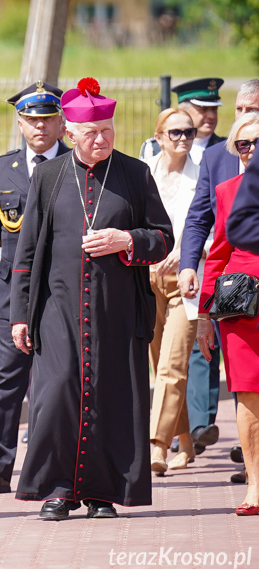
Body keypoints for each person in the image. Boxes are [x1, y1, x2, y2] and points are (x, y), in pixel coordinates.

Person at [9, 78, 173, 520]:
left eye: (108, 130)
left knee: (111, 396)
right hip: (57, 310)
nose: (101, 139)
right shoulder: (47, 175)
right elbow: (27, 252)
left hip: (117, 310)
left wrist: (127, 238)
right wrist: (19, 315)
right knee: (59, 392)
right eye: (91, 133)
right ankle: (59, 488)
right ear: (69, 134)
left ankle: (103, 492)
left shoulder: (135, 173)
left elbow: (163, 238)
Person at [0, 81, 70, 494]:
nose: (40, 126)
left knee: (55, 382)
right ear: (20, 122)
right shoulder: (2, 169)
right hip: (14, 294)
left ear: (62, 122)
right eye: (31, 119)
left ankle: (49, 467)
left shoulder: (76, 164)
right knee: (6, 381)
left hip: (59, 293)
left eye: (47, 118)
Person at [179, 79, 259, 477]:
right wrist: (188, 265)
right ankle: (253, 467)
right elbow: (201, 222)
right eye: (241, 110)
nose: (246, 119)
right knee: (245, 384)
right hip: (240, 291)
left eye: (254, 109)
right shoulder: (219, 159)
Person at [197, 111, 259, 516]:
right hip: (242, 305)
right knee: (249, 393)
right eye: (243, 143)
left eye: (258, 142)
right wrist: (204, 315)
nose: (251, 150)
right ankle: (256, 484)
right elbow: (216, 254)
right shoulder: (227, 191)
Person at [143, 108, 200, 475]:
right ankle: (187, 442)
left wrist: (183, 253)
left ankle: (157, 446)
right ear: (159, 136)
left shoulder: (204, 171)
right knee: (158, 363)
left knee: (172, 364)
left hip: (186, 280)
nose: (183, 138)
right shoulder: (144, 169)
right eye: (175, 132)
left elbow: (208, 220)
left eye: (189, 132)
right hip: (148, 280)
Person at [139, 77, 224, 162]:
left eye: (214, 109)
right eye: (203, 110)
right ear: (184, 112)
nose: (212, 116)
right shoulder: (154, 148)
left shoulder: (226, 148)